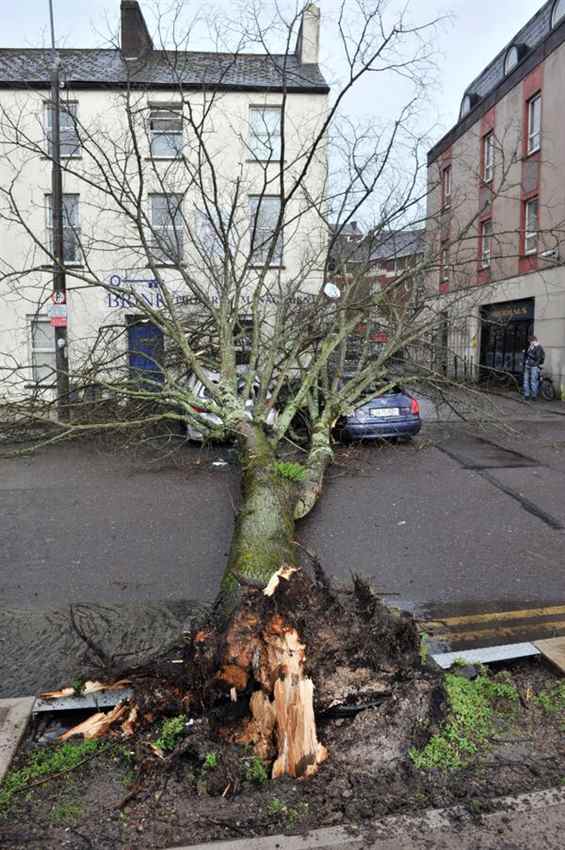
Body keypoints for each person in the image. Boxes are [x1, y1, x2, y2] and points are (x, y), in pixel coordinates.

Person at [523, 335, 545, 400]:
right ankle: (527, 395)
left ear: (533, 340)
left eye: (530, 341)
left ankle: (534, 396)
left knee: (533, 381)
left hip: (534, 366)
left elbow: (537, 357)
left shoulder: (538, 347)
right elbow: (528, 357)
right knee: (526, 380)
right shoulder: (531, 346)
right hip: (528, 365)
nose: (529, 342)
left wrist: (528, 354)